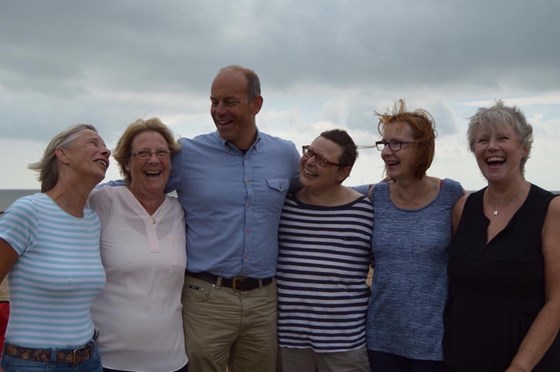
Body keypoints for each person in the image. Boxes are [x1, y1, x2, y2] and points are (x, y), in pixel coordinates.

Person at [166, 65, 300, 372]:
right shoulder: (187, 153)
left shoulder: (285, 154)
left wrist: (374, 191)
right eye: (214, 102)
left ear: (257, 104)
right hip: (206, 299)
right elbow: (140, 185)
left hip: (264, 300)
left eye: (229, 102)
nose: (219, 111)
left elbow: (314, 192)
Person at [443, 101, 560, 371]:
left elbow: (556, 301)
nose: (492, 146)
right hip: (462, 357)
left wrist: (519, 367)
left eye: (503, 138)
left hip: (525, 361)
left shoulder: (550, 209)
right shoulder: (463, 208)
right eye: (482, 140)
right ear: (474, 151)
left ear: (524, 149)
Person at [357, 100, 464, 371]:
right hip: (382, 338)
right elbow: (331, 190)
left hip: (434, 340)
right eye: (384, 143)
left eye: (397, 144)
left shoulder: (451, 195)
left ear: (423, 148)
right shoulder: (375, 196)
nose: (386, 152)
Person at [0, 124, 110, 371]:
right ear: (63, 154)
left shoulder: (92, 222)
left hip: (89, 361)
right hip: (31, 363)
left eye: (105, 147)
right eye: (94, 143)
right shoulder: (28, 211)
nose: (106, 152)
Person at [88, 118, 188, 372]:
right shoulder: (102, 201)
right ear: (127, 163)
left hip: (173, 362)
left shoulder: (181, 212)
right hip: (108, 362)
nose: (153, 160)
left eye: (161, 153)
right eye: (142, 153)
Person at [276, 129, 373, 372]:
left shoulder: (364, 212)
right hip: (289, 342)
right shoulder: (282, 205)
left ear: (343, 172)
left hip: (344, 344)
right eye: (310, 152)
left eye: (321, 160)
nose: (309, 162)